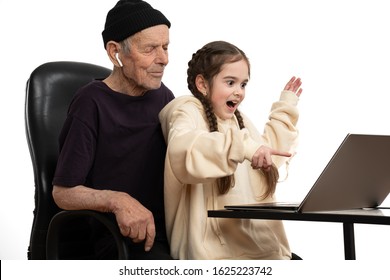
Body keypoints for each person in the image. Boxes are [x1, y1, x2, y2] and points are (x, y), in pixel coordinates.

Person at [52, 0, 174, 260]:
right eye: (150, 49)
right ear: (114, 52)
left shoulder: (164, 97)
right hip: (118, 241)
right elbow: (63, 193)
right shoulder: (90, 102)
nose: (163, 59)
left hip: (171, 234)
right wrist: (118, 200)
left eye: (165, 47)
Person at [159, 40, 303, 260]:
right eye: (230, 82)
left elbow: (265, 154)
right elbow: (184, 149)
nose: (239, 92)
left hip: (253, 248)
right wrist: (241, 147)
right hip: (211, 255)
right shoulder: (185, 110)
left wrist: (285, 111)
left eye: (243, 84)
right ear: (202, 84)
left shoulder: (238, 119)